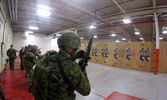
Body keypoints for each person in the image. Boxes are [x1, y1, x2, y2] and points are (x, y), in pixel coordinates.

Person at [32, 31, 91, 100]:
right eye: (76, 50)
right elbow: (86, 91)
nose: (76, 52)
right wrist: (83, 69)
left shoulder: (44, 59)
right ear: (69, 49)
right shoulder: (72, 67)